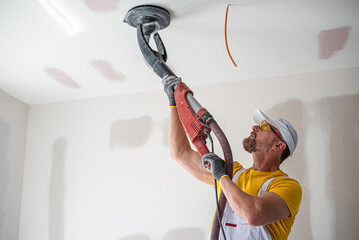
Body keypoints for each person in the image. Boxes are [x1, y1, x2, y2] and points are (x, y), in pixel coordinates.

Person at [162, 77, 302, 240]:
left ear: (278, 146)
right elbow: (180, 152)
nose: (254, 127)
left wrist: (222, 177)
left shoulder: (288, 186)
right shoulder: (232, 172)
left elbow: (253, 215)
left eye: (264, 127)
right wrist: (174, 103)